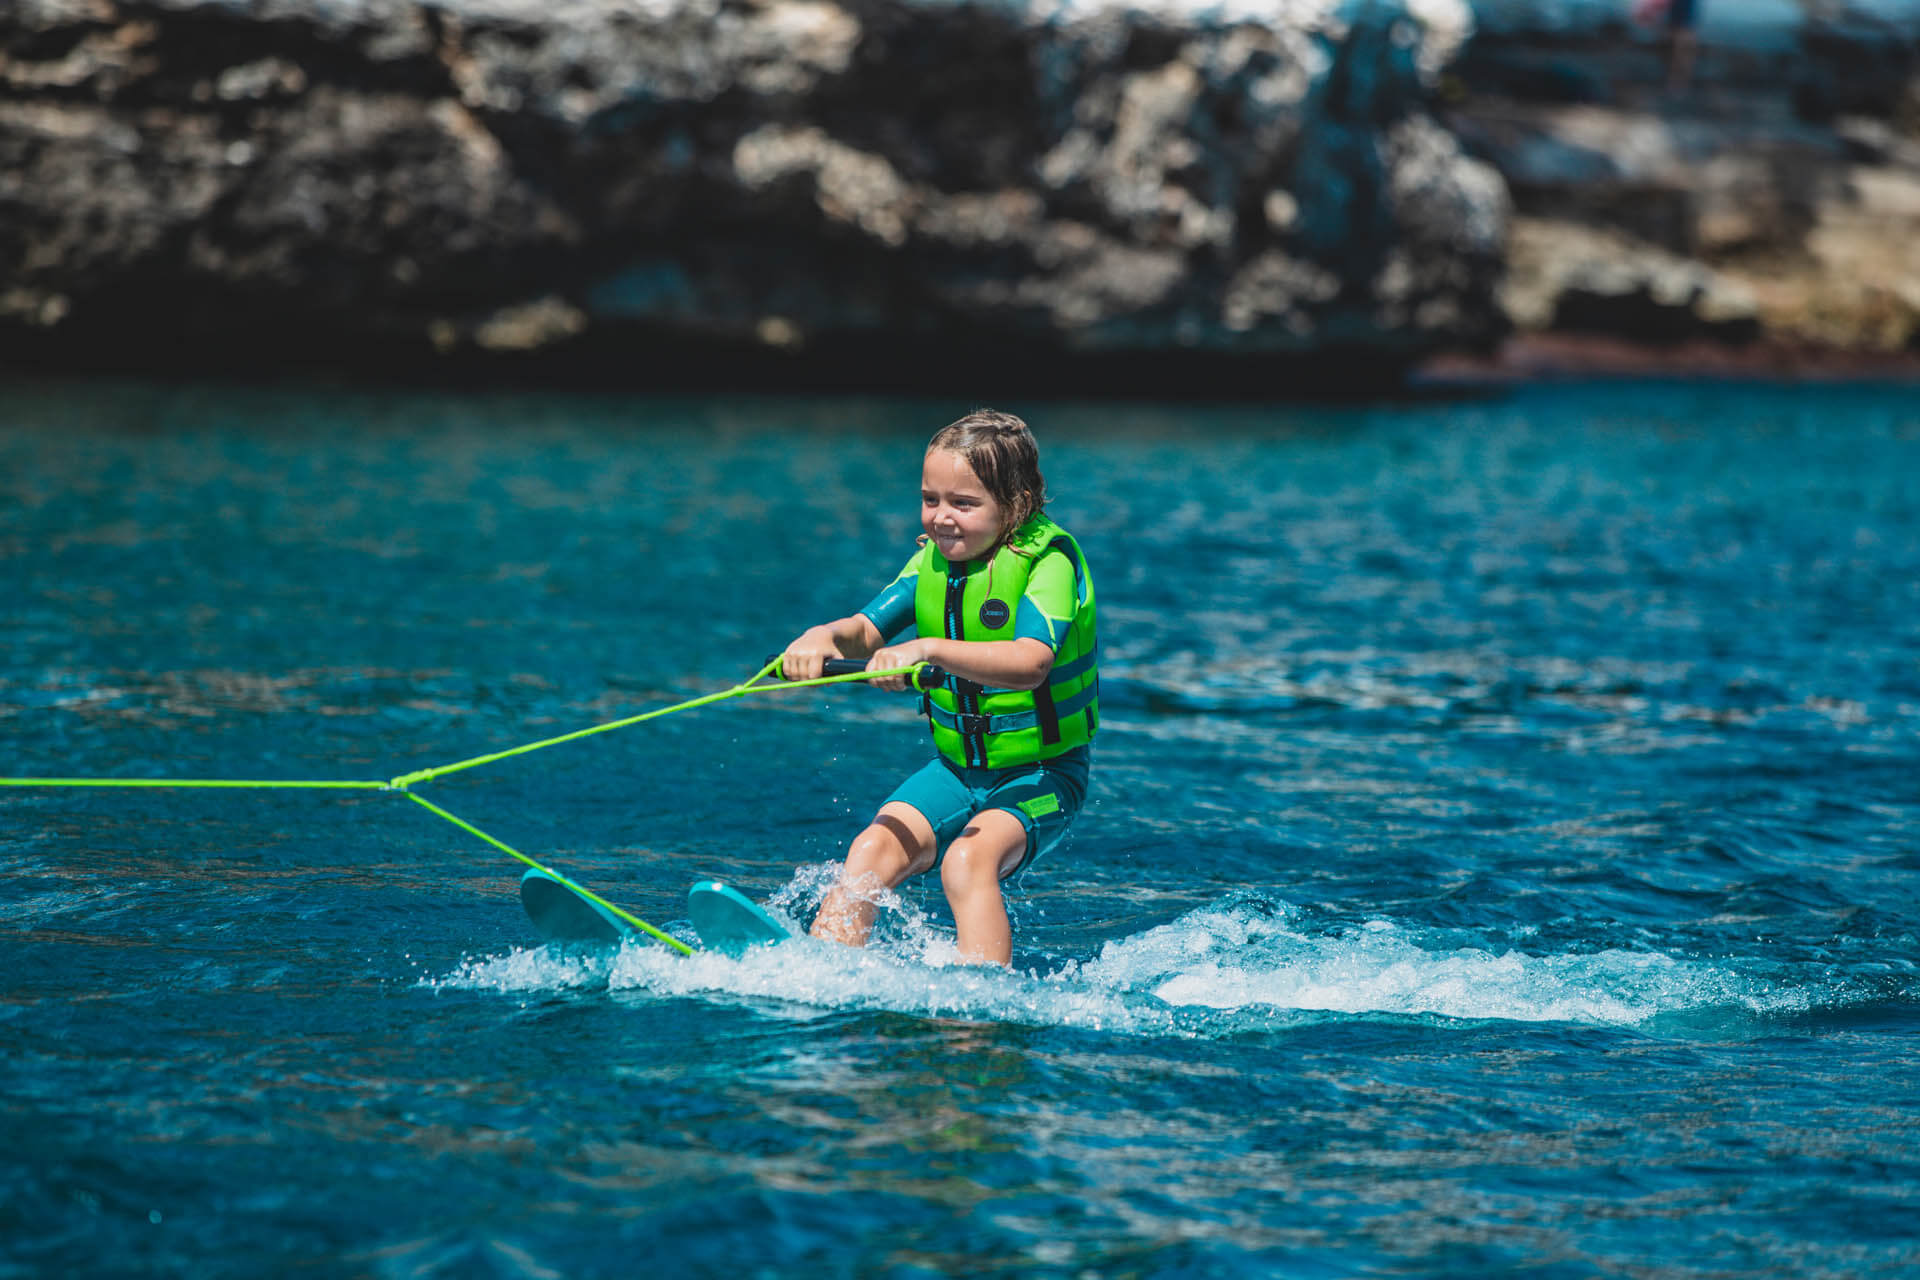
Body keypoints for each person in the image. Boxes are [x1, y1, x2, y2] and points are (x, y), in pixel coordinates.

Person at [780, 409, 1098, 966]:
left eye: (964, 503)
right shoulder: (931, 562)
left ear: (1017, 503)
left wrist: (925, 648)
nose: (941, 518)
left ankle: (979, 1015)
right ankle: (821, 978)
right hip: (956, 771)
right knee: (870, 850)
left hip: (1044, 773)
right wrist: (821, 635)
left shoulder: (1050, 563)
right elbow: (864, 631)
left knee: (966, 864)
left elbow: (1030, 663)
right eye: (931, 499)